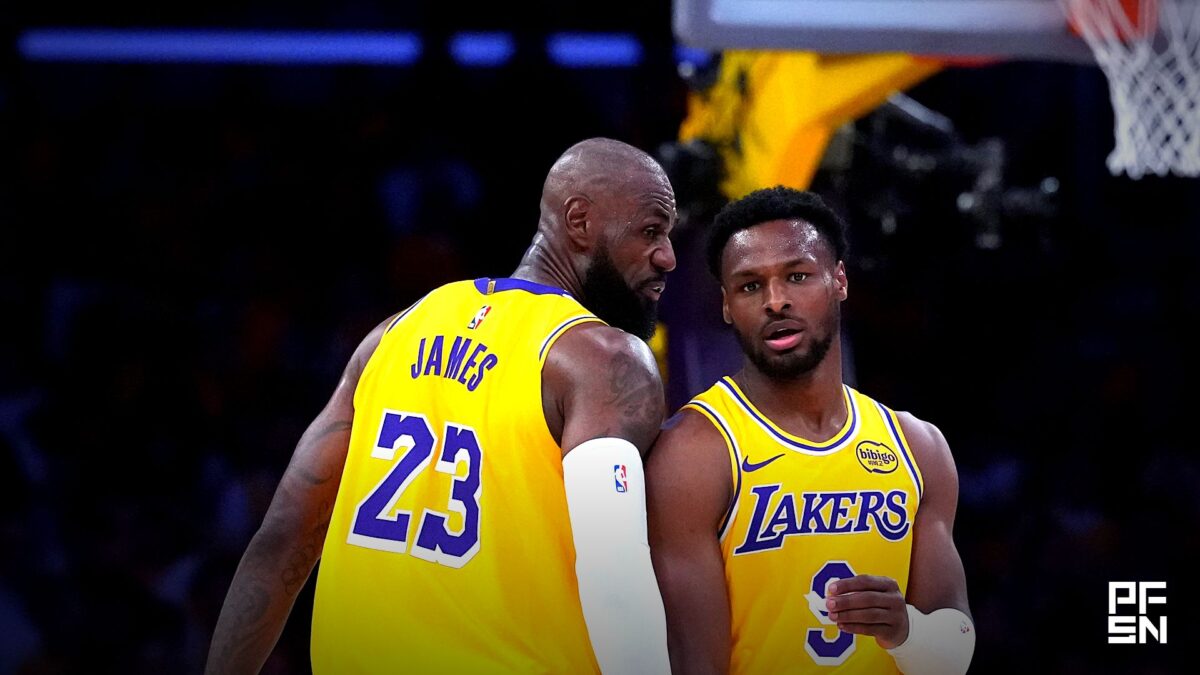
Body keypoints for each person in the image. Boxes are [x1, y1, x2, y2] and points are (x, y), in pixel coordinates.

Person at [206, 138, 678, 674]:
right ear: (579, 222)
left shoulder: (394, 333)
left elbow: (282, 539)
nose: (668, 256)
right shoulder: (604, 359)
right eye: (651, 231)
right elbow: (614, 580)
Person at [646, 186, 973, 674]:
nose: (776, 301)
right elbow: (697, 665)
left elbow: (955, 654)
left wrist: (905, 631)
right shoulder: (694, 453)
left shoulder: (917, 446)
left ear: (839, 280)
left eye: (797, 276)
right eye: (750, 286)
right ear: (726, 305)